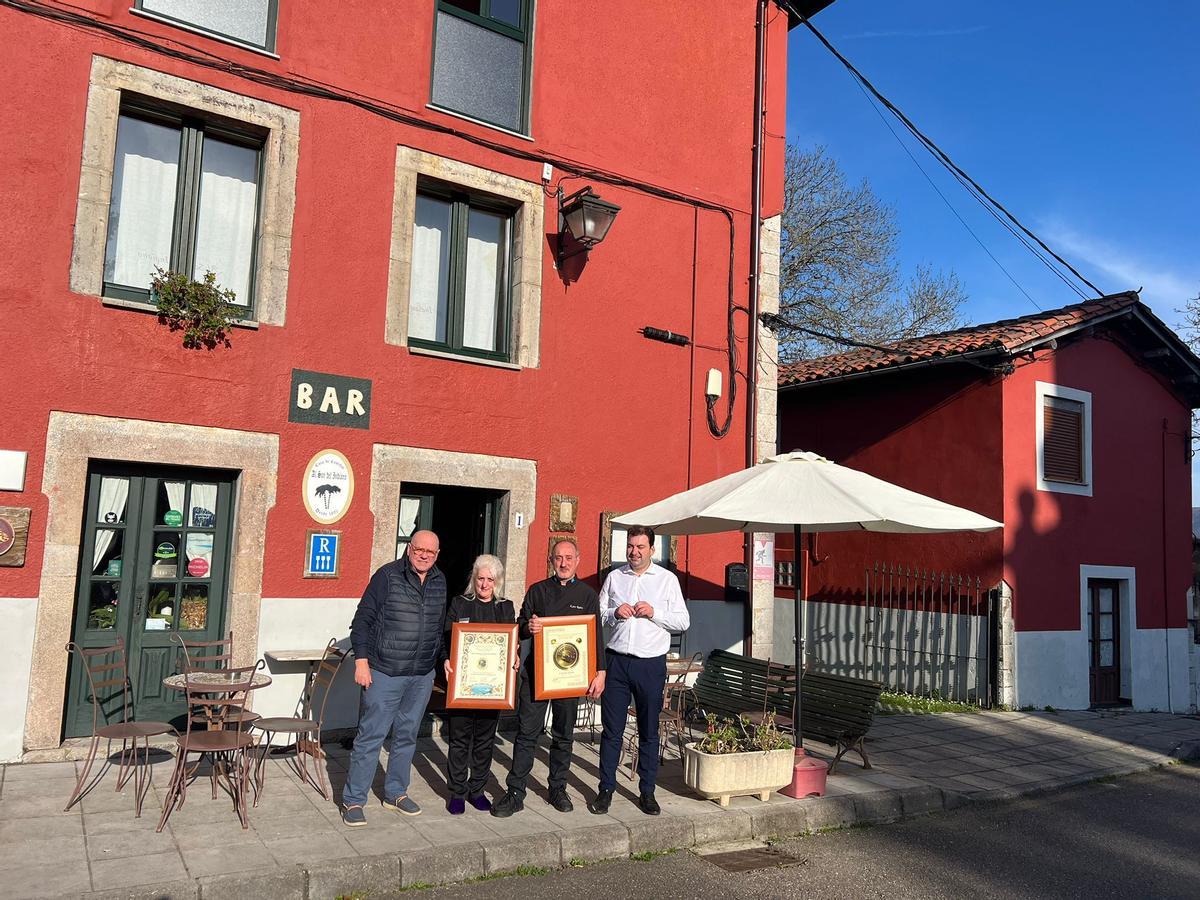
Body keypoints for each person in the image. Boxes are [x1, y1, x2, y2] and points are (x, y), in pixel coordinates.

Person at [491, 537, 606, 817]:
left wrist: (600, 672)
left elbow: (596, 637)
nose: (563, 563)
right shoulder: (538, 591)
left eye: (568, 558)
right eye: (558, 558)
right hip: (536, 677)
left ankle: (557, 788)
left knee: (563, 736)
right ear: (551, 561)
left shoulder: (588, 596)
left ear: (578, 560)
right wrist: (528, 626)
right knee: (526, 735)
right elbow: (520, 625)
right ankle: (515, 792)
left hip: (569, 679)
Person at [341, 530, 447, 827]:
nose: (424, 555)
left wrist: (442, 661)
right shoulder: (387, 576)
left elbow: (438, 630)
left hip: (421, 675)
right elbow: (362, 620)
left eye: (431, 551)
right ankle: (353, 800)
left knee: (407, 735)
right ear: (409, 548)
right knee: (371, 736)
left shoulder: (440, 581)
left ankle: (395, 793)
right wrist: (361, 661)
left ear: (437, 554)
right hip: (385, 672)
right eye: (419, 549)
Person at [588, 525, 689, 816]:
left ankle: (647, 791)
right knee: (612, 731)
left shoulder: (667, 580)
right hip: (616, 662)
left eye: (640, 547)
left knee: (648, 730)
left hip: (650, 665)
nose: (634, 552)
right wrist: (613, 612)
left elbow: (683, 621)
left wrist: (655, 612)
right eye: (631, 546)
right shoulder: (615, 577)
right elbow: (598, 615)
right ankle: (605, 789)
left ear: (652, 550)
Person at [441, 554, 516, 815]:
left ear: (498, 582)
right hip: (463, 686)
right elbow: (445, 638)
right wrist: (445, 660)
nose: (485, 584)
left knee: (484, 741)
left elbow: (512, 643)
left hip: (492, 689)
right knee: (460, 740)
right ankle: (457, 792)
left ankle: (477, 790)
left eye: (490, 580)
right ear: (474, 579)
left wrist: (515, 656)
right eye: (480, 578)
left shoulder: (506, 608)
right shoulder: (459, 604)